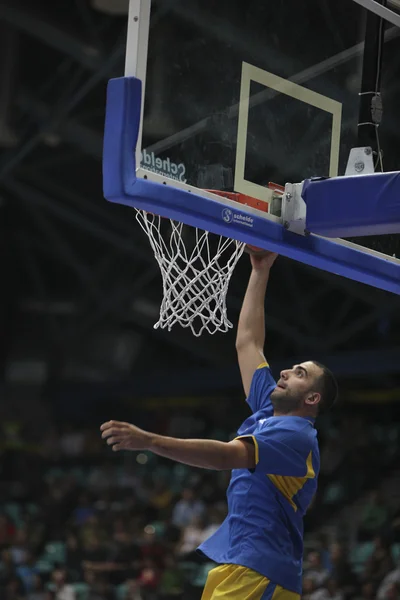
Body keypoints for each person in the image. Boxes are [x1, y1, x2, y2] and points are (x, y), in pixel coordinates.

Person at [100, 252, 339, 599]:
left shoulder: (297, 436)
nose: (285, 371)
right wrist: (260, 271)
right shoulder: (266, 412)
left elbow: (228, 456)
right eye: (291, 367)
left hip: (261, 571)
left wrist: (151, 440)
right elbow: (248, 342)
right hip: (241, 566)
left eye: (300, 373)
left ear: (312, 399)